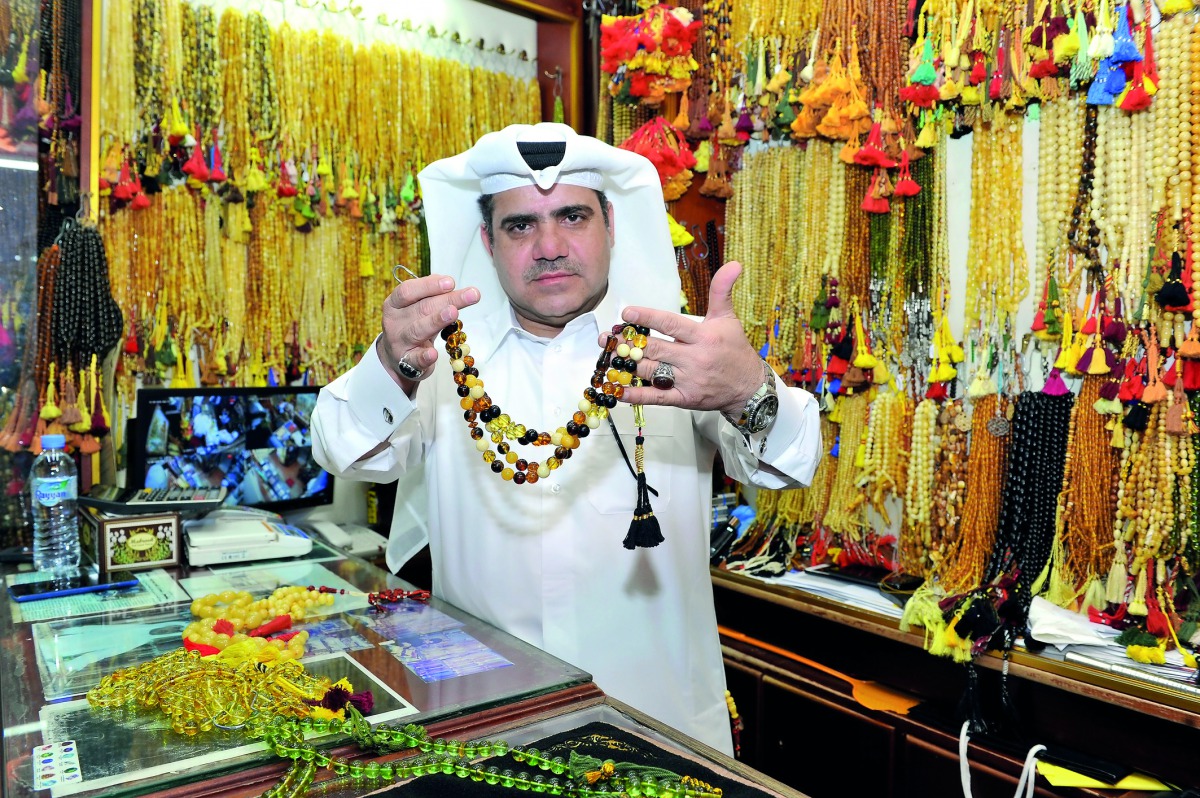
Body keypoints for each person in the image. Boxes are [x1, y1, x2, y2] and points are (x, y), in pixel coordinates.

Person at [312, 123, 821, 754]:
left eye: (572, 216)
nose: (549, 246)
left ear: (611, 224)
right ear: (486, 241)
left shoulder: (680, 353)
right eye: (520, 225)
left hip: (658, 727)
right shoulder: (438, 362)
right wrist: (392, 364)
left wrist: (748, 389)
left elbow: (790, 462)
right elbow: (342, 449)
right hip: (486, 733)